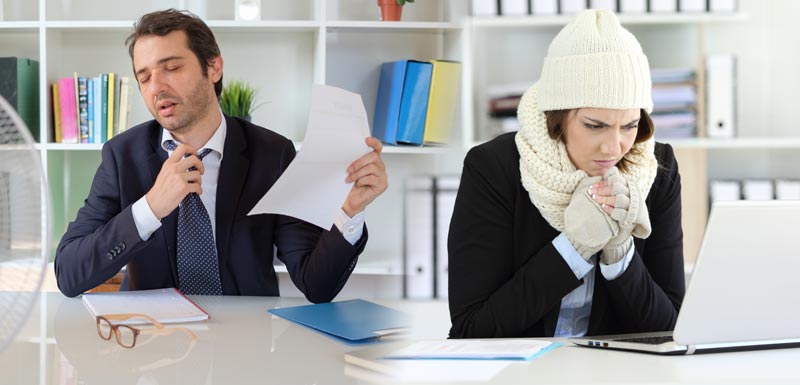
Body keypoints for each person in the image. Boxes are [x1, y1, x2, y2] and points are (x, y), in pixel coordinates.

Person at [54, 9, 388, 302]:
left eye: (170, 68)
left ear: (213, 67)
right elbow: (69, 274)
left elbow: (316, 285)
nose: (156, 87)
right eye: (145, 78)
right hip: (152, 350)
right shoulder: (121, 156)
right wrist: (151, 207)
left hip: (243, 347)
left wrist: (350, 212)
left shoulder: (273, 154)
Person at [448, 9, 685, 338]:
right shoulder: (493, 168)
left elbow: (670, 328)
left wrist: (620, 254)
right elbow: (472, 329)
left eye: (630, 126)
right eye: (594, 125)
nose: (613, 147)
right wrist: (575, 247)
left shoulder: (657, 169)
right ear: (556, 118)